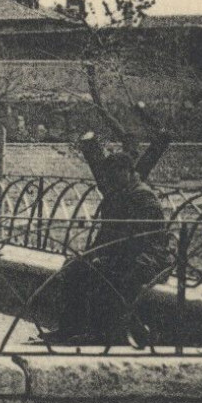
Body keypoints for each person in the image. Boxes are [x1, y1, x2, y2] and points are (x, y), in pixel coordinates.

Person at [44, 124, 173, 346]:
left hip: (149, 258)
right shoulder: (117, 195)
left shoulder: (143, 198)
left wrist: (106, 257)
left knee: (106, 274)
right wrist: (90, 253)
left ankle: (106, 333)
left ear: (128, 173)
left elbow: (142, 240)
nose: (111, 181)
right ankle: (70, 328)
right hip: (124, 256)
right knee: (74, 268)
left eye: (115, 176)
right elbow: (107, 233)